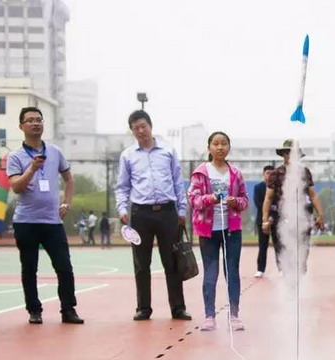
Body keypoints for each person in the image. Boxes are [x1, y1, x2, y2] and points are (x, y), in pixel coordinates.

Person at [6, 107, 83, 324]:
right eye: (29, 120)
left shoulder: (55, 152)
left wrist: (66, 202)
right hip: (26, 222)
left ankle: (68, 309)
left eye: (38, 119)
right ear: (21, 126)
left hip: (52, 222)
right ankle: (34, 310)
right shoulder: (15, 156)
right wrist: (31, 168)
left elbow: (69, 179)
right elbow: (16, 187)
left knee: (64, 267)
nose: (35, 123)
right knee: (29, 268)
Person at [115, 110, 191, 321]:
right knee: (141, 263)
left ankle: (178, 308)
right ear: (132, 131)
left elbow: (178, 182)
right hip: (140, 214)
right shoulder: (128, 155)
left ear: (150, 126)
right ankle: (143, 308)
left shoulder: (168, 151)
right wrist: (122, 209)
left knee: (172, 262)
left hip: (167, 212)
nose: (140, 131)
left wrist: (181, 210)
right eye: (135, 128)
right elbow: (121, 186)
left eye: (143, 126)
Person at [188, 131, 248, 332]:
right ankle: (209, 315)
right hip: (208, 231)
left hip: (231, 230)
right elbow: (193, 200)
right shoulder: (201, 172)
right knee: (210, 274)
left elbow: (244, 201)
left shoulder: (236, 174)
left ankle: (234, 315)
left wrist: (235, 202)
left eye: (224, 143)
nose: (220, 147)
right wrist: (210, 199)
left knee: (232, 273)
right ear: (209, 148)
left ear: (229, 148)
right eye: (216, 143)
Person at [261, 139, 325, 273]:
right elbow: (268, 198)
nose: (290, 156)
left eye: (293, 153)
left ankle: (300, 280)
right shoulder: (275, 174)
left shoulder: (305, 172)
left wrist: (320, 215)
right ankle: (286, 281)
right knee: (283, 251)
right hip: (281, 219)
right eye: (287, 153)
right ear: (283, 154)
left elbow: (313, 195)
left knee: (303, 250)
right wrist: (265, 220)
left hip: (302, 217)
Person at [253, 165, 276, 278]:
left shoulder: (278, 187)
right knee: (263, 245)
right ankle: (260, 269)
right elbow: (259, 204)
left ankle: (282, 268)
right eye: (268, 173)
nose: (270, 176)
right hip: (262, 220)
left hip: (276, 220)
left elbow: (279, 204)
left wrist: (272, 217)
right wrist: (266, 219)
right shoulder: (258, 187)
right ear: (263, 174)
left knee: (279, 245)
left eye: (272, 173)